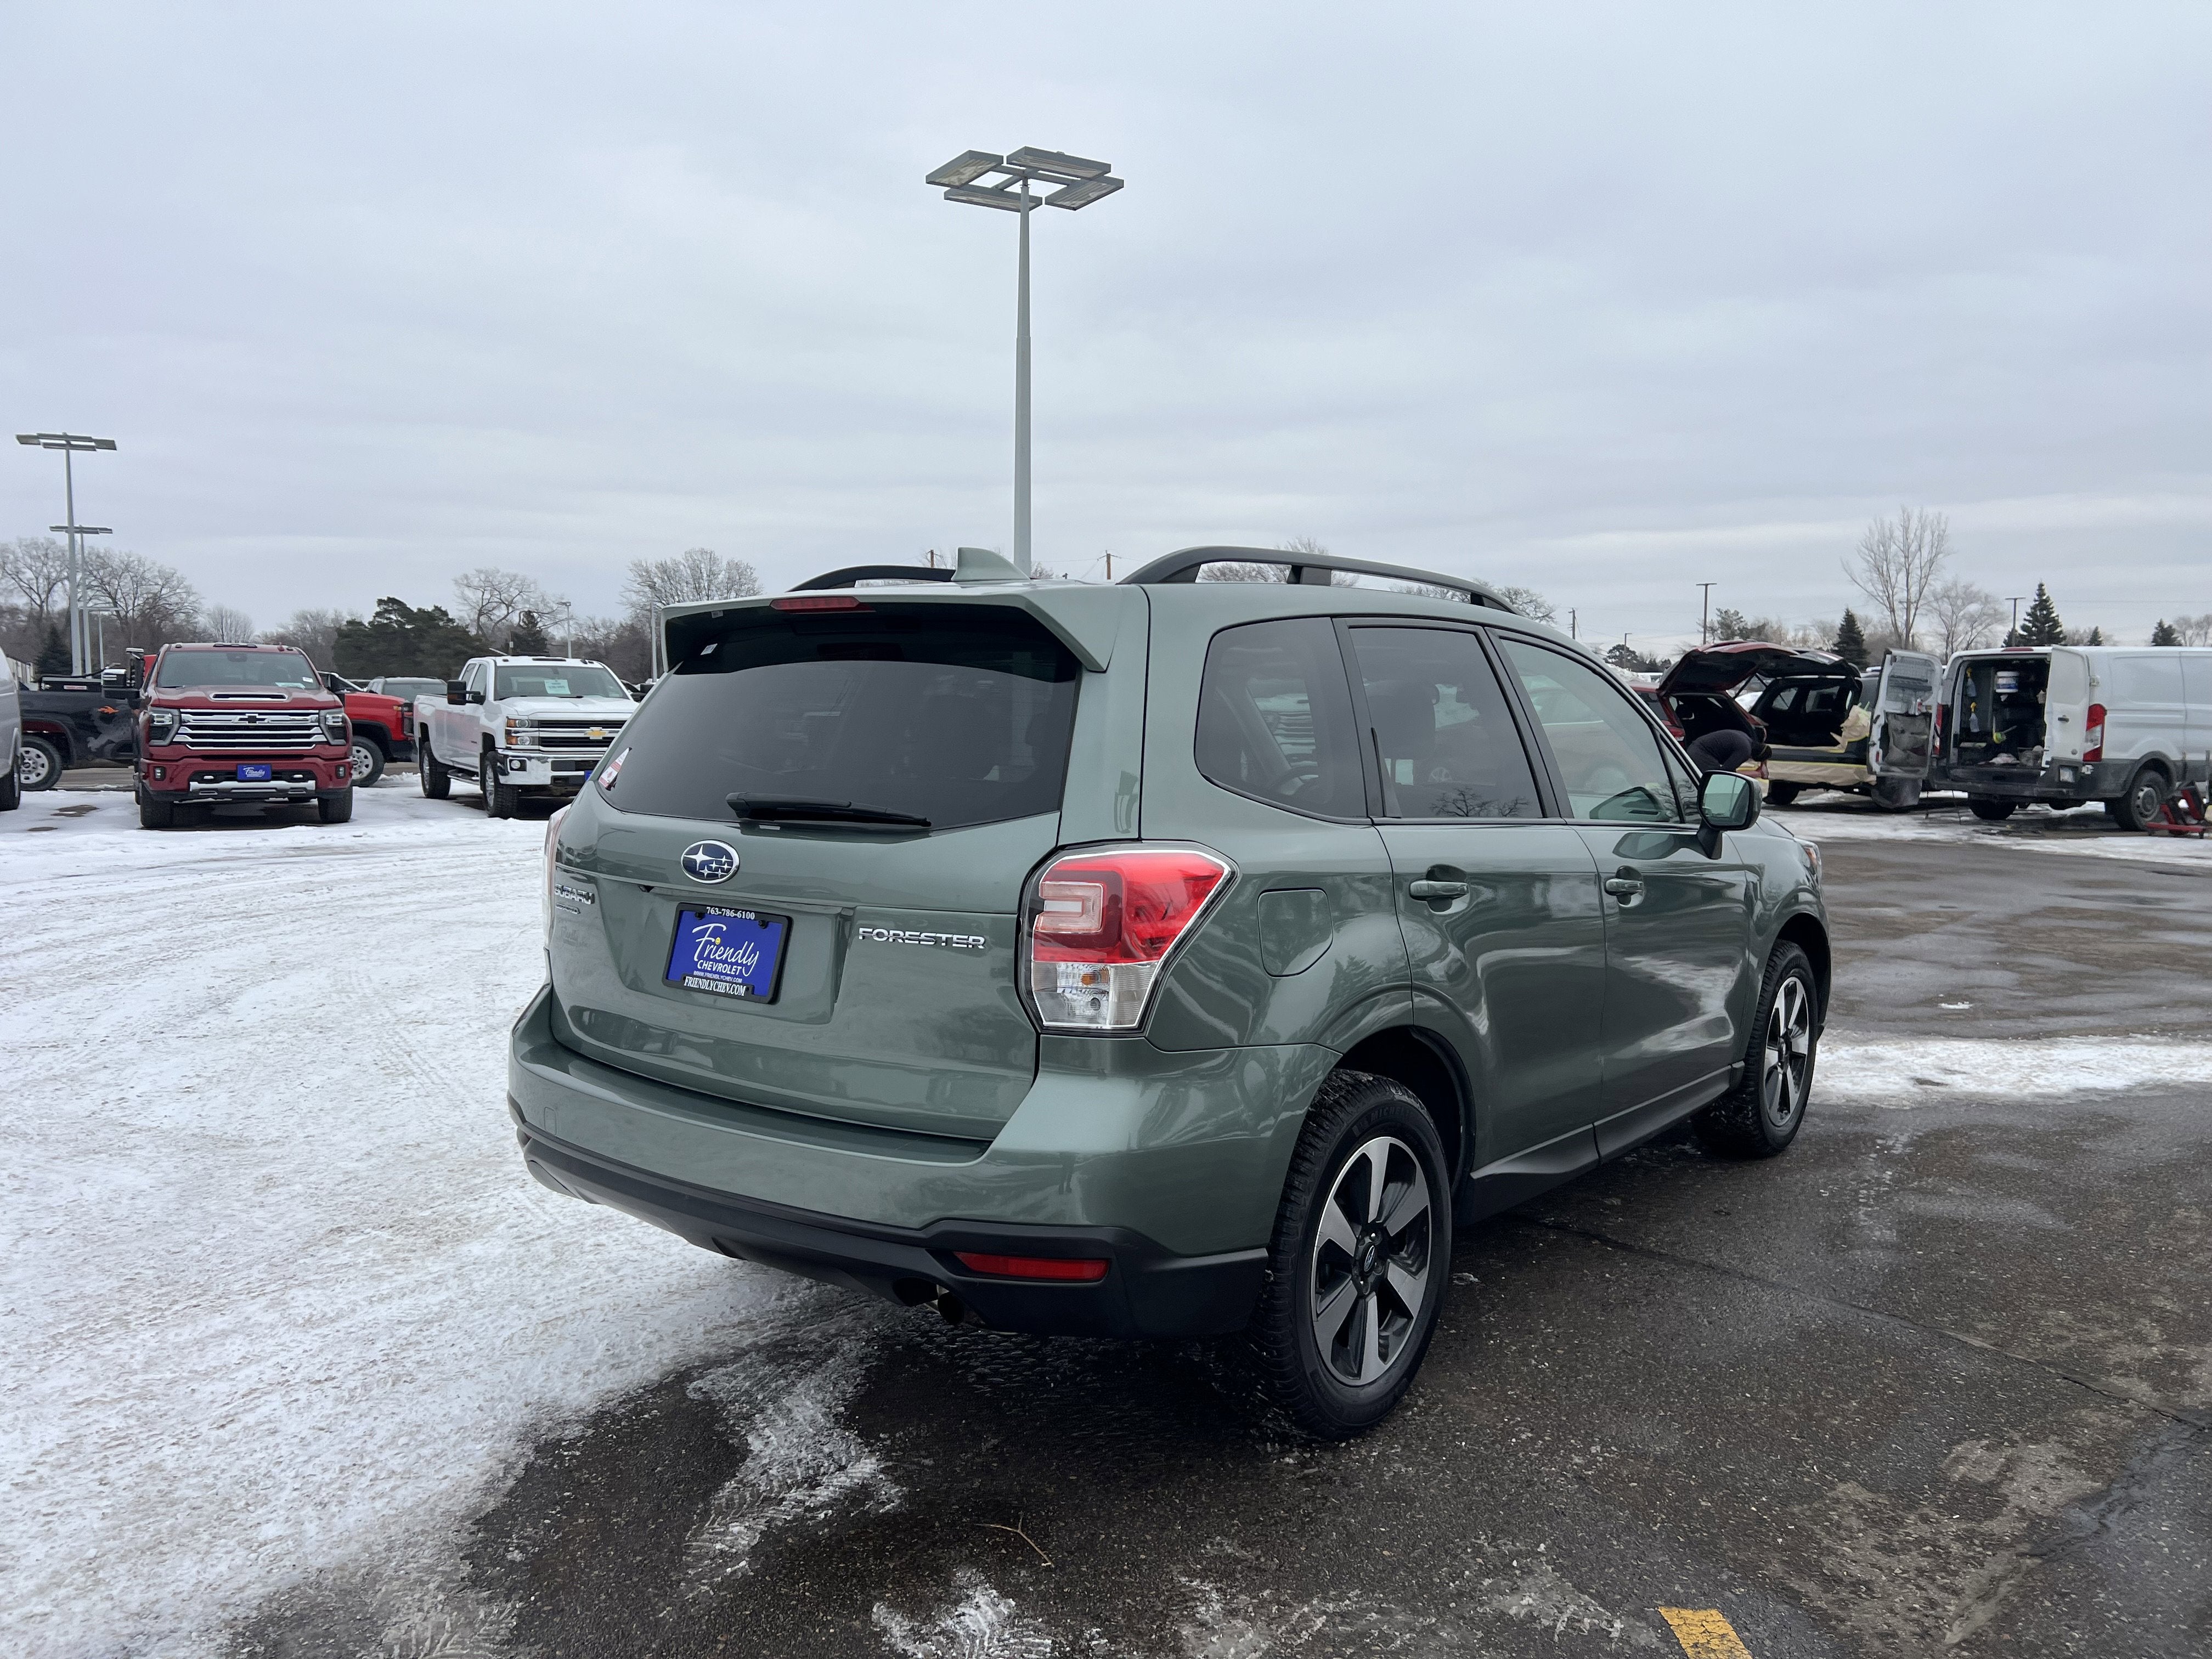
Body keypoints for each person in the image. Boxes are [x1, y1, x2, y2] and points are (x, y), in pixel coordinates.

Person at [1686, 727, 1756, 775]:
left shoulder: (1747, 739)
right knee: (1714, 776)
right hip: (1701, 754)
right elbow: (1726, 771)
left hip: (1695, 747)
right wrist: (1753, 774)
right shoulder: (1746, 751)